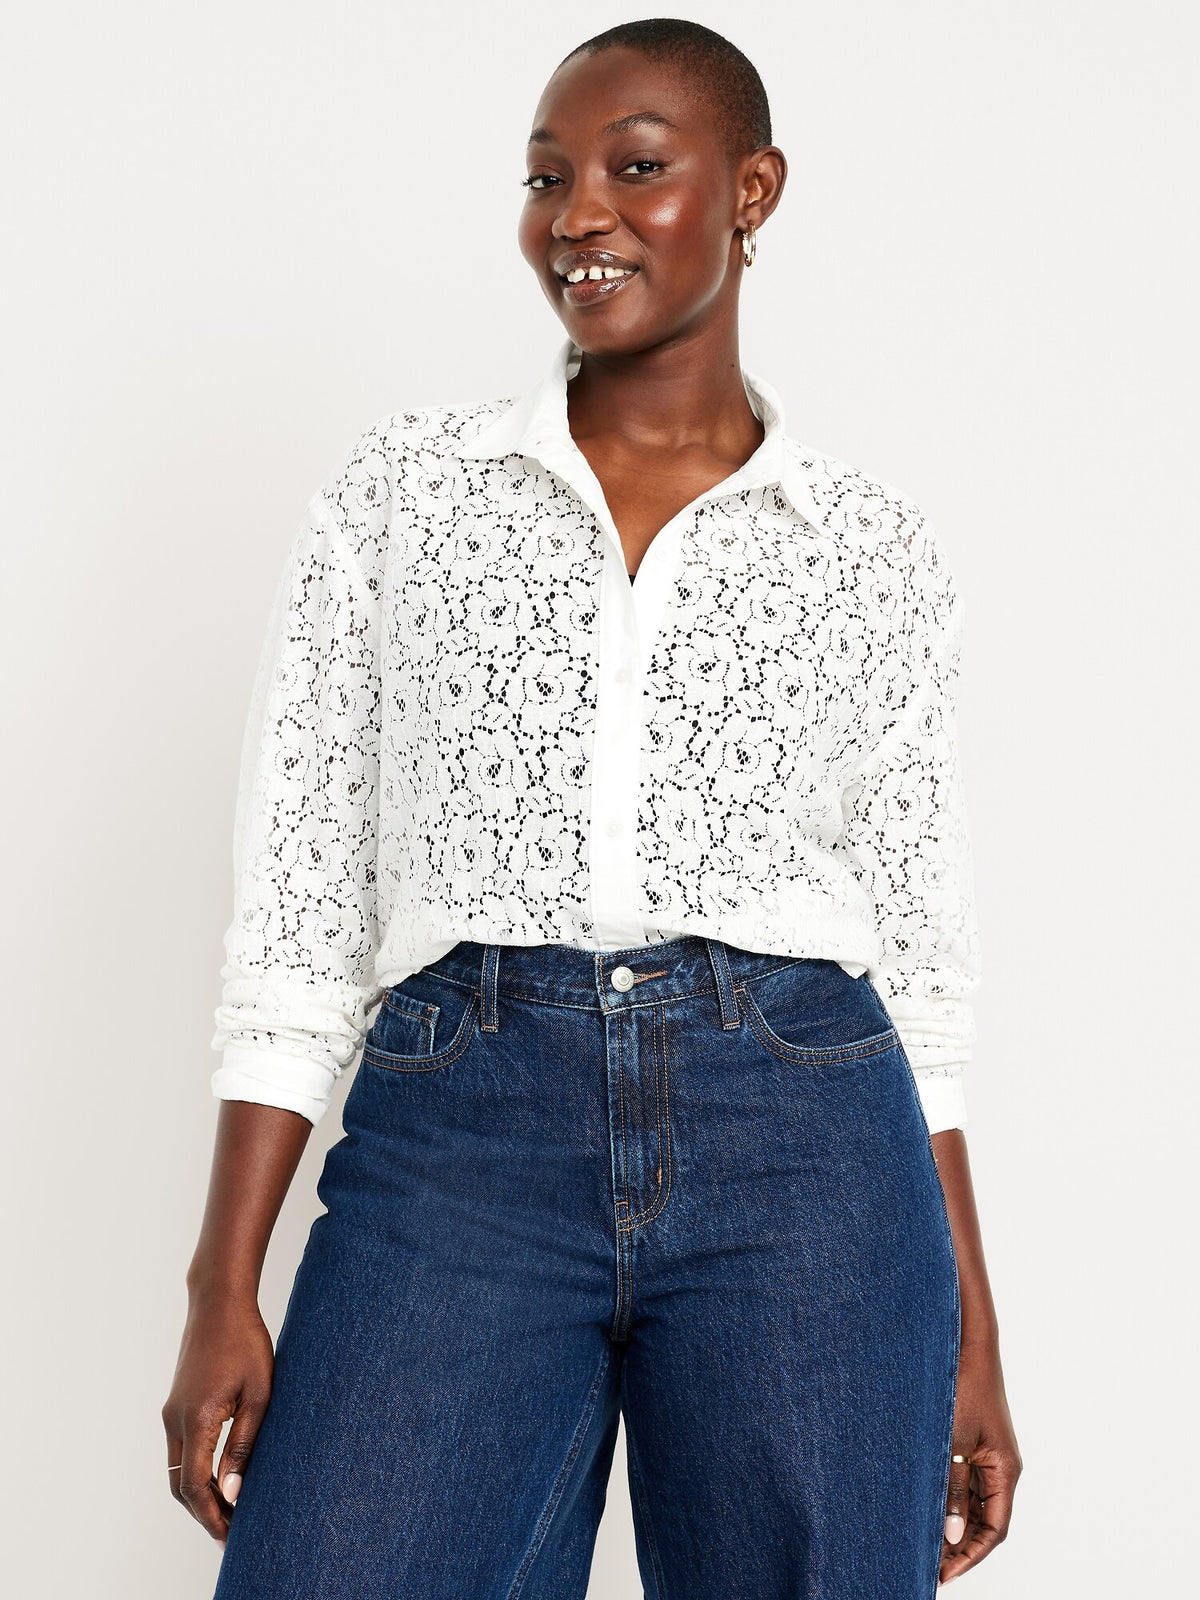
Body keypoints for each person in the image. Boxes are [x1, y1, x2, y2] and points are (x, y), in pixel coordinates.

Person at [163, 18, 1021, 1598]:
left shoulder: (870, 547)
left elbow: (923, 972)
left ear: (752, 191)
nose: (579, 216)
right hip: (460, 1131)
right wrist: (223, 1282)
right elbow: (300, 906)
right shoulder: (405, 497)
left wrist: (972, 1326)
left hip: (808, 1149)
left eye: (636, 167)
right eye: (547, 178)